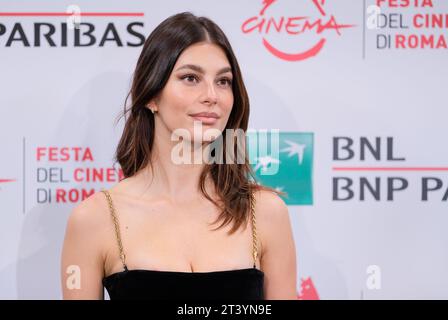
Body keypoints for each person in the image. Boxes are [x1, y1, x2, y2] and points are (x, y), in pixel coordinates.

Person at [61, 12, 297, 300]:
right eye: (190, 78)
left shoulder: (266, 213)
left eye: (223, 81)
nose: (212, 95)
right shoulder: (94, 219)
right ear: (151, 95)